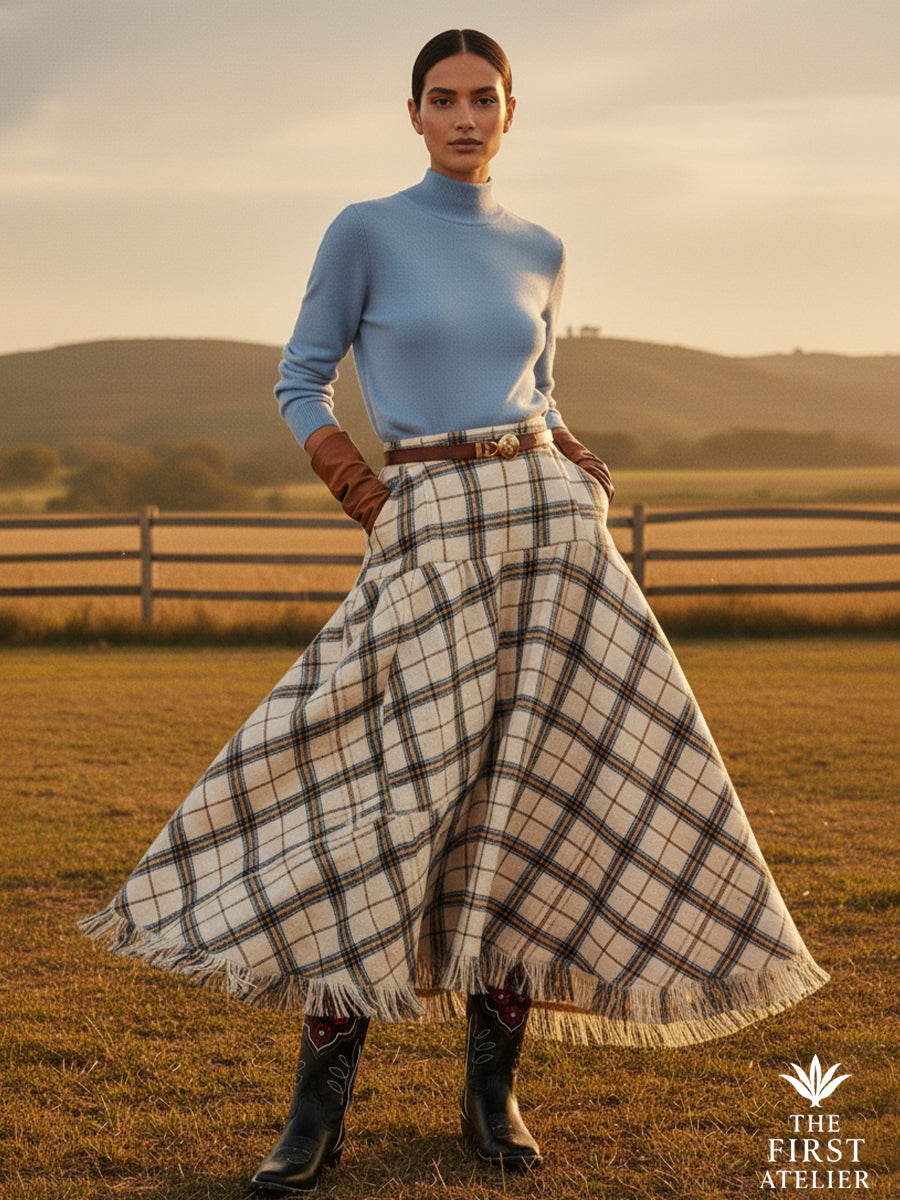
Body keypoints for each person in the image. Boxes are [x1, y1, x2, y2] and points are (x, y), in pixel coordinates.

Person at [80, 29, 829, 1197]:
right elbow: (298, 376)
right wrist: (366, 495)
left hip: (547, 532)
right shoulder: (366, 229)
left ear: (513, 111)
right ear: (415, 113)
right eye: (445, 99)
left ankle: (494, 1095)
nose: (466, 117)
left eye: (486, 99)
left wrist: (573, 456)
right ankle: (314, 1112)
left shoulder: (542, 246)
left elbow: (535, 382)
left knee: (529, 800)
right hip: (426, 524)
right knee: (386, 798)